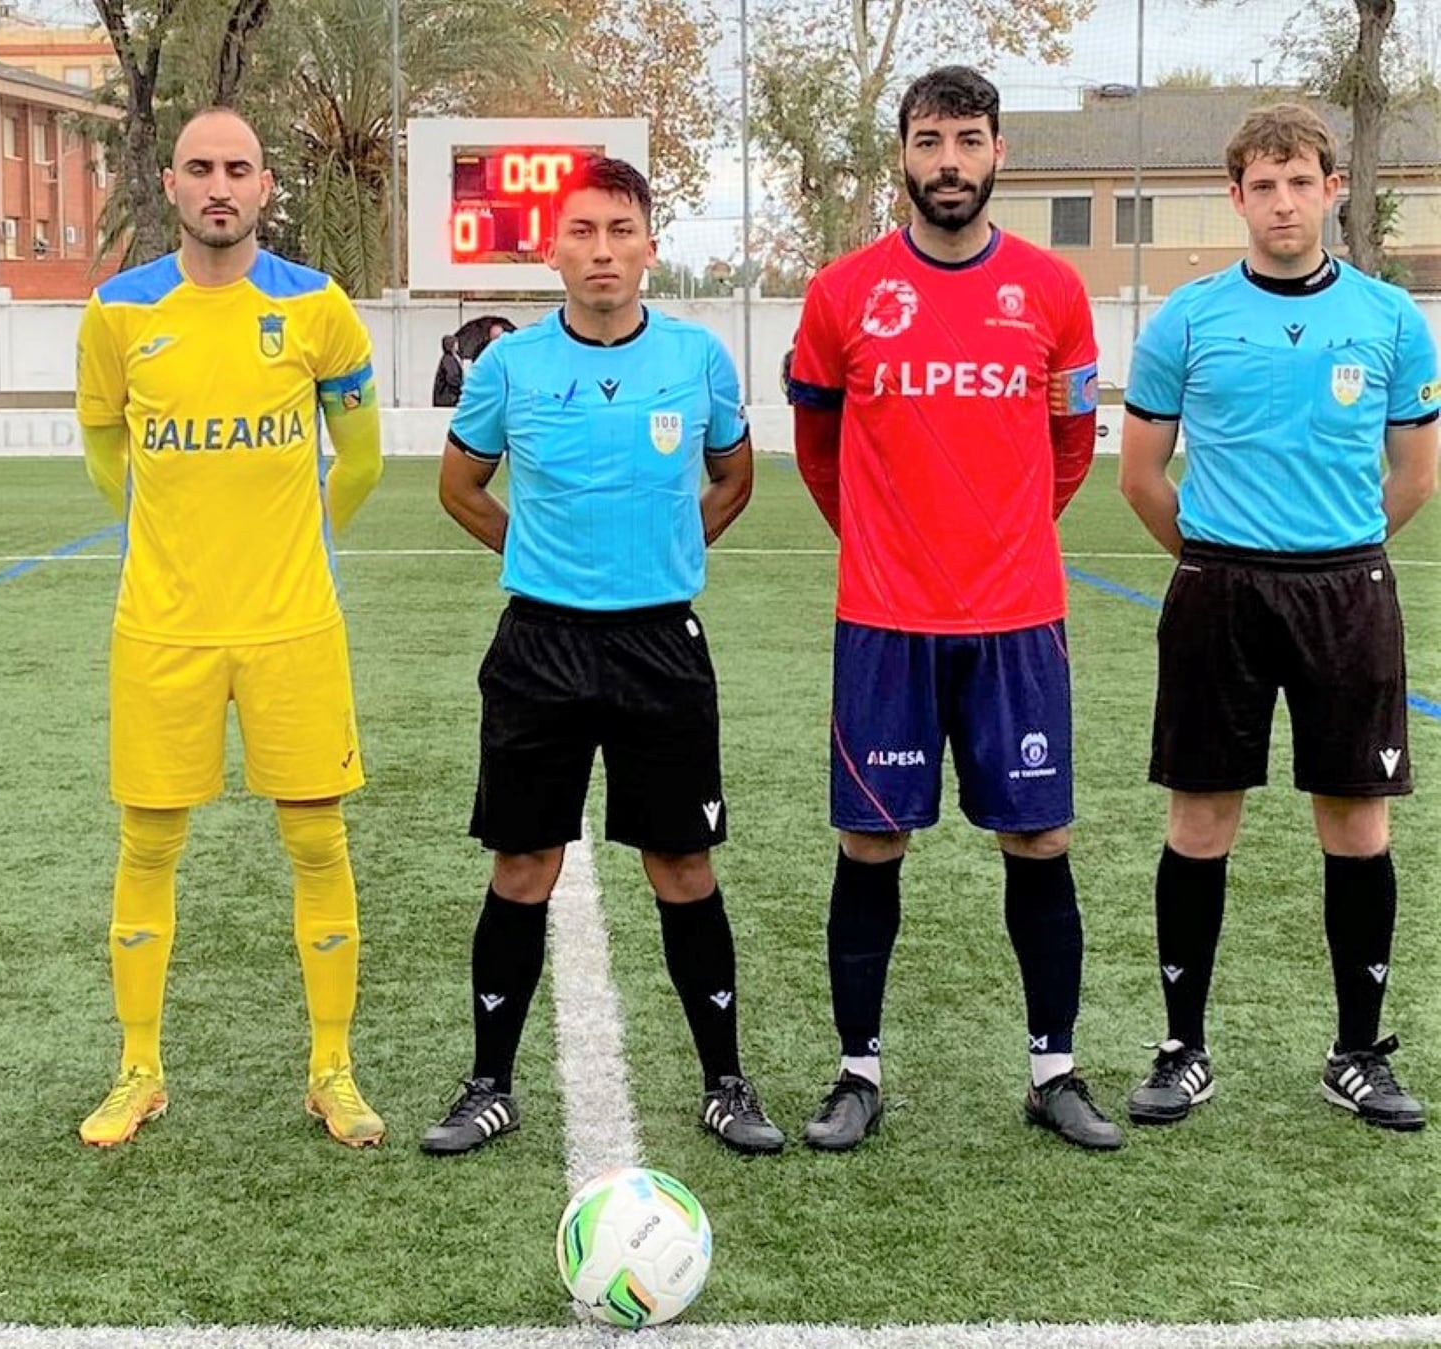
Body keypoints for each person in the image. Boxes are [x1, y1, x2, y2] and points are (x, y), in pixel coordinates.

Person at [787, 66, 1121, 1152]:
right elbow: (820, 451)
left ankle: (1055, 1069)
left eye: (968, 140)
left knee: (1038, 833)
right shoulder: (844, 293)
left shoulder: (1055, 294)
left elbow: (1071, 445)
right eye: (929, 141)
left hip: (1016, 615)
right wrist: (889, 542)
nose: (949, 162)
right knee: (872, 842)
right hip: (886, 617)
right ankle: (857, 1072)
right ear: (903, 154)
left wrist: (1007, 532)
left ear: (998, 154)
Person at [425, 155, 783, 1157]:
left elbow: (733, 475)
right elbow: (460, 488)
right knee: (524, 860)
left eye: (621, 231)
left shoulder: (697, 359)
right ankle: (489, 1082)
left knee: (681, 860)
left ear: (650, 248)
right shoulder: (508, 366)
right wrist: (538, 555)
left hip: (659, 643)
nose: (602, 251)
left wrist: (661, 557)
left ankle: (726, 1079)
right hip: (538, 643)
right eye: (582, 231)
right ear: (555, 249)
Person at [1119, 103, 1438, 1132]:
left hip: (1349, 591)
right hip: (1219, 590)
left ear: (1334, 188)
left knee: (1356, 819)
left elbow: (1414, 473)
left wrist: (1329, 545)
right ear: (1237, 197)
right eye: (1264, 184)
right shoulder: (1187, 317)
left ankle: (1357, 1050)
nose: (1284, 201)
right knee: (1201, 819)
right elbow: (1140, 473)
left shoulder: (1392, 318)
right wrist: (1222, 557)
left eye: (1302, 181)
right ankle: (1183, 1045)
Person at [74, 108, 387, 1148]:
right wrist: (169, 544)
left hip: (294, 623)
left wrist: (298, 544)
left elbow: (364, 457)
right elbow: (105, 449)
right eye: (201, 168)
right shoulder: (119, 312)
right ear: (170, 183)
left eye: (239, 169)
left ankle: (332, 1069)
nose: (220, 185)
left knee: (316, 835)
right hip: (162, 628)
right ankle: (137, 1067)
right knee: (149, 839)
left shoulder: (318, 307)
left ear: (265, 187)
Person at [433, 332, 464, 407]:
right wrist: (461, 388)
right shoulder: (449, 359)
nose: (458, 345)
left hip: (446, 397)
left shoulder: (449, 358)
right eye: (456, 343)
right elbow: (452, 377)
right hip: (448, 398)